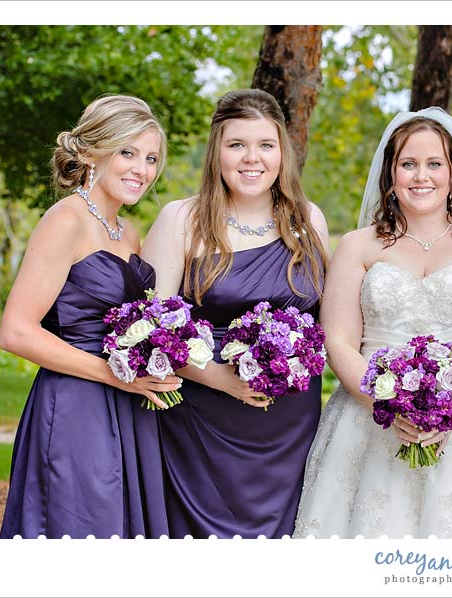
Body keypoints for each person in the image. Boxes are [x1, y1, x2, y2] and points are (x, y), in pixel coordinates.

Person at [293, 107, 452, 539]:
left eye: (434, 163)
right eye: (408, 164)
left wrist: (451, 407)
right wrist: (389, 404)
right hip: (370, 416)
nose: (422, 176)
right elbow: (338, 342)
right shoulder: (358, 246)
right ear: (390, 173)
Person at [141, 88, 328, 539]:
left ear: (283, 151)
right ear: (216, 152)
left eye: (266, 145)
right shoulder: (180, 219)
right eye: (236, 145)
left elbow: (329, 324)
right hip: (202, 424)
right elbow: (147, 330)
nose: (252, 158)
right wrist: (221, 378)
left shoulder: (309, 220)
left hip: (289, 426)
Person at [0, 95, 176, 538]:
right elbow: (16, 332)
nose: (142, 169)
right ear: (95, 150)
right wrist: (115, 375)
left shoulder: (127, 231)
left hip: (127, 406)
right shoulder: (66, 220)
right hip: (76, 404)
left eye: (151, 158)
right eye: (128, 152)